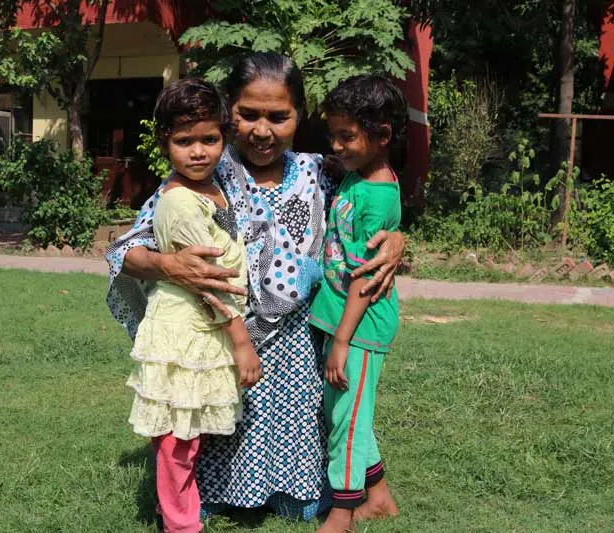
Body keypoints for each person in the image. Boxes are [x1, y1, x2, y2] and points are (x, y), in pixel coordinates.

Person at [105, 52, 405, 521]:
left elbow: (371, 191)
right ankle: (206, 502)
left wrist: (399, 238)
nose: (262, 130)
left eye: (278, 116)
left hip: (298, 348)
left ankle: (310, 496)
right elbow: (126, 250)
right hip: (227, 342)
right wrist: (169, 264)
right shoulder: (205, 169)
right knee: (218, 434)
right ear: (230, 114)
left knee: (308, 433)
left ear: (299, 116)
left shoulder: (319, 172)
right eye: (248, 115)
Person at [125, 78, 261, 533]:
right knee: (176, 440)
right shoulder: (179, 203)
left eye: (209, 139)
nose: (199, 151)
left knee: (186, 435)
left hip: (204, 329)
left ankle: (178, 516)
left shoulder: (214, 189)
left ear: (225, 137)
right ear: (165, 143)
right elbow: (210, 283)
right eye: (184, 141)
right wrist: (243, 344)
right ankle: (182, 525)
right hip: (186, 330)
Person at [309, 75, 405, 533]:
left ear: (382, 136)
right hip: (343, 321)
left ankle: (342, 512)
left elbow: (366, 279)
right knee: (346, 413)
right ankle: (379, 496)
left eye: (347, 135)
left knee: (345, 421)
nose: (337, 144)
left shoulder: (379, 196)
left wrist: (343, 340)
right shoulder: (356, 177)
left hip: (362, 326)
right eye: (334, 134)